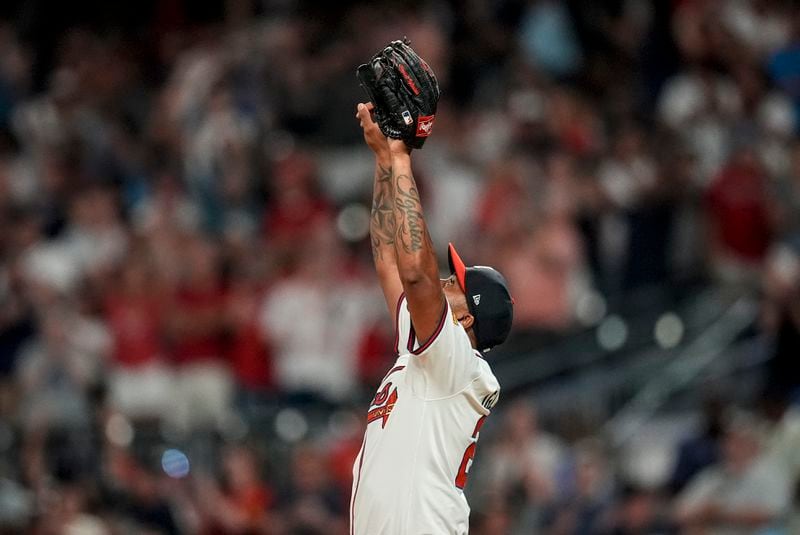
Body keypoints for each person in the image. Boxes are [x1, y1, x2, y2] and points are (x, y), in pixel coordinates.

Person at [349, 101, 514, 534]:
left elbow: (417, 278)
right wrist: (384, 159)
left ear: (467, 322)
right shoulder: (427, 353)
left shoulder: (457, 362)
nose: (445, 281)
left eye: (456, 286)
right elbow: (387, 257)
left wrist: (403, 159)